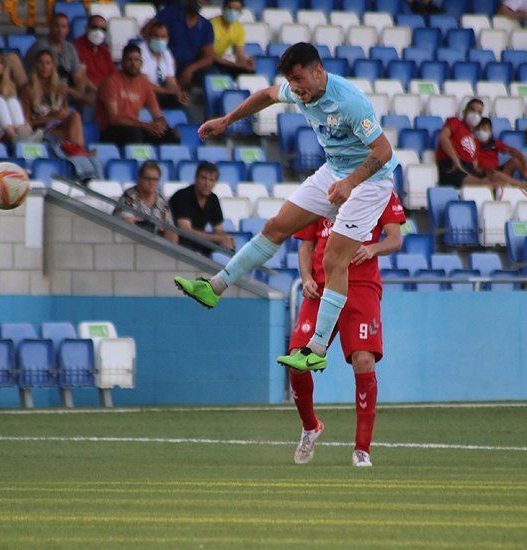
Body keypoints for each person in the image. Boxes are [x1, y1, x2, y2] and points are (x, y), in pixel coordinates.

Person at [173, 43, 398, 374]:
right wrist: (227, 119)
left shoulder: (349, 101)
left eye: (298, 79)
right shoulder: (300, 91)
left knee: (334, 258)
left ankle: (316, 349)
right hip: (334, 172)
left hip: (369, 183)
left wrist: (350, 183)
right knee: (275, 227)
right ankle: (215, 287)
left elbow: (384, 149)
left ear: (318, 71)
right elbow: (265, 95)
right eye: (290, 82)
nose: (294, 88)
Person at [289, 192, 404, 468]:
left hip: (362, 287)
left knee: (363, 360)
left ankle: (362, 450)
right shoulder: (323, 189)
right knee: (297, 360)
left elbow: (395, 238)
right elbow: (306, 245)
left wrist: (373, 249)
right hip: (321, 287)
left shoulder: (380, 191)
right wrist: (305, 279)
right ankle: (310, 427)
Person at [96, 44, 180, 146]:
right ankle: (138, 161)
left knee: (171, 135)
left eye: (136, 60)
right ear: (122, 62)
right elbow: (114, 119)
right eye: (129, 60)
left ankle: (156, 162)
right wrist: (145, 125)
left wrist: (161, 124)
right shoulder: (111, 82)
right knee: (135, 133)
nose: (133, 64)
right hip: (110, 130)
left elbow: (157, 114)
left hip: (135, 127)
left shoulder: (144, 84)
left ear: (141, 63)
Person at [20, 50, 86, 149]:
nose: (44, 67)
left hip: (59, 126)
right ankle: (78, 151)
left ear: (53, 66)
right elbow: (27, 122)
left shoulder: (59, 88)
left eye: (48, 63)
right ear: (36, 65)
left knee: (75, 116)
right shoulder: (28, 90)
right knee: (70, 134)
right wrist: (52, 118)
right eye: (41, 63)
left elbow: (64, 114)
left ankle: (76, 150)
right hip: (40, 131)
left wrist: (62, 114)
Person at [25, 12, 95, 106]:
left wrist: (94, 91)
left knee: (82, 77)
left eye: (63, 27)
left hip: (66, 91)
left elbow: (78, 76)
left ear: (68, 29)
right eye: (56, 26)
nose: (60, 30)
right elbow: (38, 77)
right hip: (44, 88)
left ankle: (79, 107)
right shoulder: (40, 46)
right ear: (50, 28)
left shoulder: (69, 47)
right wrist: (76, 94)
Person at [168, 162, 235, 256]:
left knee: (228, 244)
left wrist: (225, 238)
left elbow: (218, 228)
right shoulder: (182, 196)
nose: (207, 184)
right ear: (196, 179)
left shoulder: (213, 199)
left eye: (211, 180)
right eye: (203, 178)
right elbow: (185, 231)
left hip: (199, 241)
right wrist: (217, 238)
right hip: (178, 240)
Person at [149, 0, 215, 87]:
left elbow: (208, 57)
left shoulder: (206, 26)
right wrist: (164, 59)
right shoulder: (170, 13)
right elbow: (147, 31)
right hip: (165, 65)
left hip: (191, 68)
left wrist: (190, 69)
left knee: (214, 75)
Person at [113, 161, 178, 243]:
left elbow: (169, 226)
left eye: (155, 179)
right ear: (139, 178)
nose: (151, 183)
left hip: (158, 245)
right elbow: (127, 222)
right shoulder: (129, 196)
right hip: (130, 242)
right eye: (147, 178)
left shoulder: (162, 200)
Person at [435, 98, 491, 187]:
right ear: (465, 111)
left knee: (496, 180)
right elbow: (443, 137)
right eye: (472, 110)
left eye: (479, 112)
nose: (475, 115)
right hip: (452, 167)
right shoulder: (455, 122)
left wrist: (487, 172)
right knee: (485, 185)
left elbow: (475, 166)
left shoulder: (475, 140)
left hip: (468, 169)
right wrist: (456, 161)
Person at [0, 49, 38, 142]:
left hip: (1, 127)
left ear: (4, 66)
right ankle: (14, 138)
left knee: (12, 101)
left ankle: (22, 133)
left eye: (0, 62)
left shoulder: (9, 85)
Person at [139, 22, 190, 107]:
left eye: (163, 37)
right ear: (148, 37)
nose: (159, 40)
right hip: (143, 93)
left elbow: (171, 80)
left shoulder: (166, 53)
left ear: (168, 38)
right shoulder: (140, 51)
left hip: (159, 92)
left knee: (181, 100)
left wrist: (177, 92)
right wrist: (166, 91)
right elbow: (144, 83)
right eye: (156, 36)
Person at [474, 117, 527, 192]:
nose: (481, 131)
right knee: (495, 174)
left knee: (515, 161)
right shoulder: (472, 144)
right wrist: (484, 170)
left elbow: (511, 150)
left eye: (484, 129)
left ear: (490, 133)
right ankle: (523, 186)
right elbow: (473, 166)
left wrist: (524, 159)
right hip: (484, 175)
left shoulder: (494, 143)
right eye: (478, 129)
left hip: (498, 172)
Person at [210, 0, 255, 75]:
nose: (232, 11)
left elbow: (240, 56)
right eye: (230, 8)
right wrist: (233, 65)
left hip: (220, 62)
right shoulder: (211, 25)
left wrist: (247, 63)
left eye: (236, 9)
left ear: (240, 12)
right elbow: (209, 55)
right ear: (223, 9)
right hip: (205, 61)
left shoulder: (239, 28)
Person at [74, 15, 115, 89]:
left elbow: (112, 76)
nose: (98, 32)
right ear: (87, 29)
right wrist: (97, 92)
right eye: (95, 27)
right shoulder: (76, 47)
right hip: (88, 93)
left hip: (106, 91)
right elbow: (80, 77)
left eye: (102, 29)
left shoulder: (105, 51)